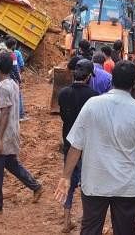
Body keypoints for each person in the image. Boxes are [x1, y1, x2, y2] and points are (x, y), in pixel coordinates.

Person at [54, 61, 135, 235]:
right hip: (127, 186)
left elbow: (75, 146)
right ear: (134, 83)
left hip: (95, 182)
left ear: (112, 80)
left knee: (90, 228)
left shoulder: (92, 105)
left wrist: (65, 177)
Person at [0, 53, 43, 215]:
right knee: (11, 164)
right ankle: (36, 186)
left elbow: (5, 112)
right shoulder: (13, 83)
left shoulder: (2, 87)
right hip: (12, 131)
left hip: (5, 135)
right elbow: (5, 112)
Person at [57, 59, 98, 233]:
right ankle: (87, 221)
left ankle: (67, 222)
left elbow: (63, 117)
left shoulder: (63, 93)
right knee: (88, 185)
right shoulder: (94, 97)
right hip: (88, 148)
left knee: (68, 183)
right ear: (88, 77)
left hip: (69, 144)